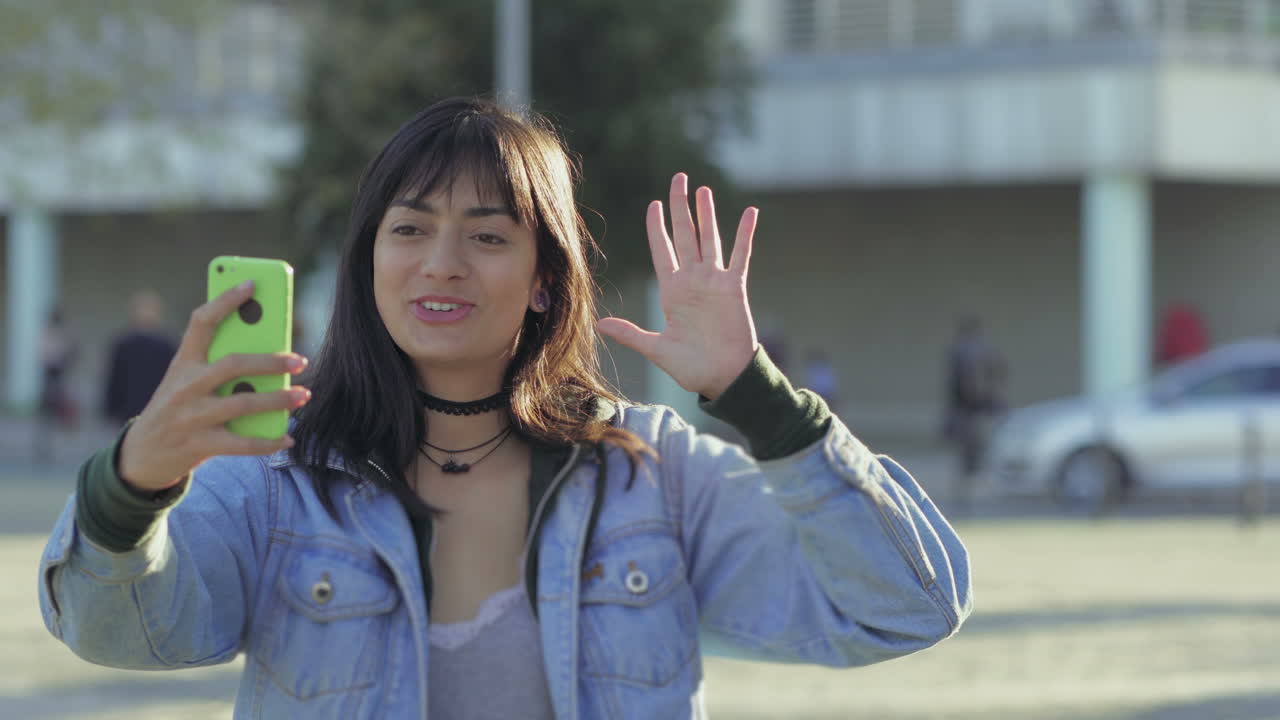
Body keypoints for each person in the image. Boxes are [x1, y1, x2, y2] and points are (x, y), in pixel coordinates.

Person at [38, 98, 971, 719]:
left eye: (488, 235)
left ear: (540, 282)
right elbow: (118, 631)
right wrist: (133, 485)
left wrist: (762, 401)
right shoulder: (279, 479)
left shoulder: (656, 473)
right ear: (371, 263)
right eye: (409, 229)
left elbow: (904, 608)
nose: (442, 261)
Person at [942, 315, 1005, 511]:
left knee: (973, 454)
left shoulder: (961, 352)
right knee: (973, 453)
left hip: (969, 410)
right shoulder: (977, 352)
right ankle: (970, 494)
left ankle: (971, 494)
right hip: (974, 410)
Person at [101, 290, 178, 427]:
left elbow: (173, 378)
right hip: (129, 409)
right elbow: (115, 378)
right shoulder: (123, 343)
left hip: (158, 408)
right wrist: (111, 408)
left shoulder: (166, 345)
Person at [35, 306, 79, 460]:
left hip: (57, 376)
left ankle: (50, 446)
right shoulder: (51, 334)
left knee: (55, 413)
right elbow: (50, 357)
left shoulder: (55, 334)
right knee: (49, 413)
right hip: (52, 376)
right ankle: (45, 447)